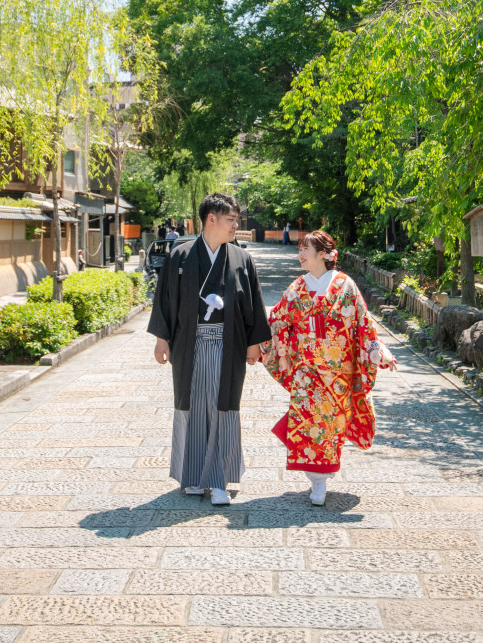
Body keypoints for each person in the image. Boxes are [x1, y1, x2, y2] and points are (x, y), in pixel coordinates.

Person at [148, 192, 271, 505]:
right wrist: (162, 338)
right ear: (211, 219)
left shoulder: (241, 259)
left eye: (236, 220)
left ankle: (219, 480)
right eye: (230, 219)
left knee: (224, 406)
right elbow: (165, 297)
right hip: (189, 343)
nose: (235, 225)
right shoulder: (181, 254)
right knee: (191, 405)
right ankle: (191, 476)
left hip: (229, 343)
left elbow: (253, 301)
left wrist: (256, 341)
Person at [263, 230, 396, 507]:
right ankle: (317, 481)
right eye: (300, 249)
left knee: (330, 427)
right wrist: (256, 341)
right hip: (306, 373)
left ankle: (319, 480)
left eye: (306, 249)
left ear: (323, 254)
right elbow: (277, 319)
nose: (300, 254)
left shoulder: (346, 286)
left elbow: (363, 324)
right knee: (309, 424)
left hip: (337, 375)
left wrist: (377, 350)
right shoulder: (297, 287)